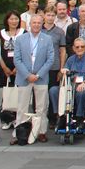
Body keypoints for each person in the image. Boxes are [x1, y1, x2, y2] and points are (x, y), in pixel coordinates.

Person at [12, 13, 54, 144]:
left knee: (41, 107)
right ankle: (18, 133)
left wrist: (38, 75)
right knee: (22, 107)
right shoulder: (20, 39)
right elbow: (17, 59)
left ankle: (41, 131)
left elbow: (50, 59)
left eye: (39, 23)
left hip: (40, 77)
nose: (36, 25)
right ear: (29, 24)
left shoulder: (47, 39)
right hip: (24, 77)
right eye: (34, 23)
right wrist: (27, 75)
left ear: (42, 24)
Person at [57, 38, 85, 122]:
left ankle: (79, 117)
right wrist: (63, 71)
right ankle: (61, 116)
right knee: (53, 91)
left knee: (80, 93)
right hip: (71, 87)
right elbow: (65, 70)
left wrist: (84, 83)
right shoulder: (70, 59)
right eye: (77, 47)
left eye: (82, 47)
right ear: (73, 48)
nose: (80, 49)